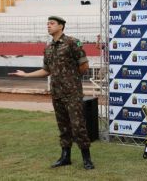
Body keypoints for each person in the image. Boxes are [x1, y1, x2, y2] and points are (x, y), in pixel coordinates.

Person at [9, 16, 95, 170]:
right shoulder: (48, 48)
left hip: (72, 93)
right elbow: (46, 70)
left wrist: (72, 80)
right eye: (47, 24)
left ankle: (86, 159)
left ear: (61, 26)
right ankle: (65, 157)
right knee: (63, 127)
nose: (48, 26)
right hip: (56, 93)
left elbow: (84, 65)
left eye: (52, 23)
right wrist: (26, 75)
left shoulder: (72, 42)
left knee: (78, 126)